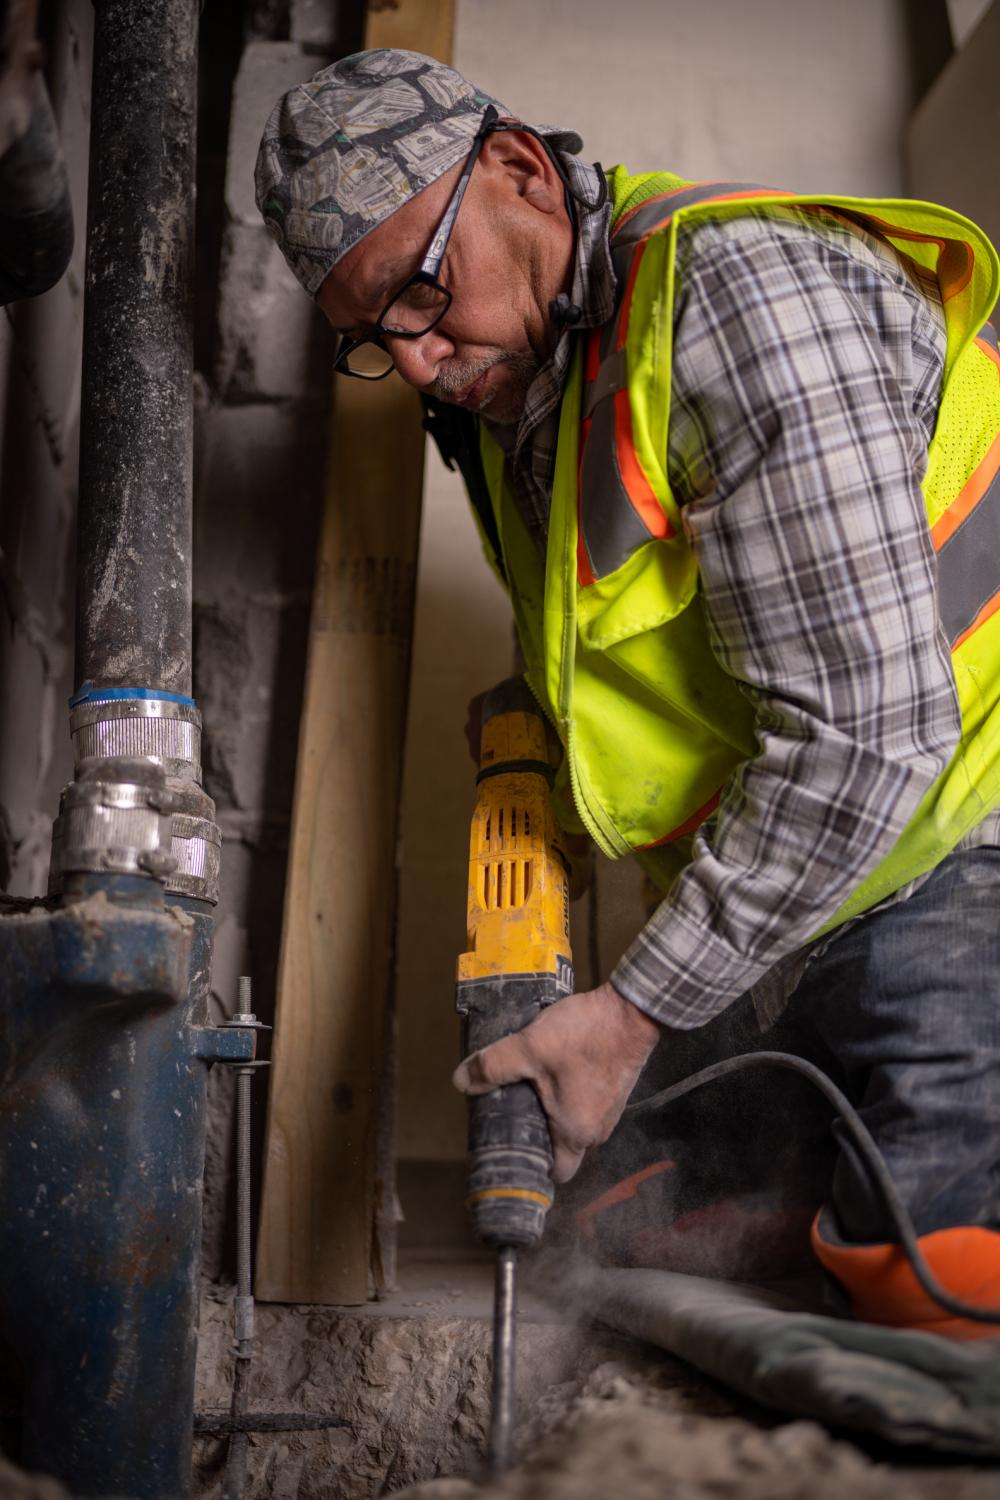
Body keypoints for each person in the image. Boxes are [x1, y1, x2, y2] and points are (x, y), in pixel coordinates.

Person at [256, 48, 1000, 1338]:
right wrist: (530, 742)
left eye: (423, 295)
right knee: (621, 1230)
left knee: (932, 1281)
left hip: (963, 842)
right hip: (812, 907)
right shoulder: (523, 394)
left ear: (522, 173)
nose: (420, 364)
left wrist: (636, 1008)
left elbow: (875, 733)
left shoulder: (738, 300)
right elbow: (658, 642)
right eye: (376, 342)